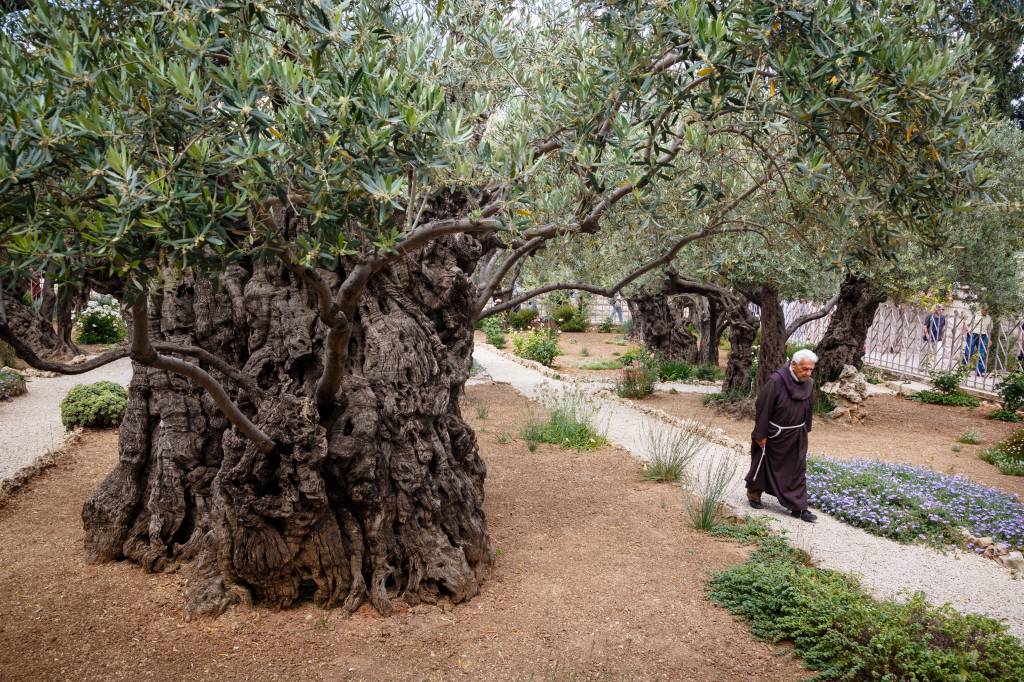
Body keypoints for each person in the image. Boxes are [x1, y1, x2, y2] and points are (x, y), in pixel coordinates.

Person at [745, 349, 818, 523]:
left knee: (798, 468)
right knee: (763, 463)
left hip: (796, 433)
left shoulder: (809, 383)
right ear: (793, 365)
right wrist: (760, 434)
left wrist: (805, 428)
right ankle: (754, 494)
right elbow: (763, 407)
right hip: (774, 434)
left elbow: (808, 406)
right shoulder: (776, 381)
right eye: (805, 369)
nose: (808, 373)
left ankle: (798, 507)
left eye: (811, 369)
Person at [963, 304, 992, 376]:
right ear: (981, 309)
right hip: (973, 334)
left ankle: (979, 371)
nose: (986, 312)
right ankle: (963, 369)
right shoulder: (975, 315)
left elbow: (989, 330)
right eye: (985, 310)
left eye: (987, 310)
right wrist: (967, 331)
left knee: (982, 353)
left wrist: (989, 339)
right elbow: (966, 323)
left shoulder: (989, 318)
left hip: (983, 336)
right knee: (969, 351)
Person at [920, 304, 946, 371]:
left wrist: (943, 337)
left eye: (943, 309)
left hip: (938, 338)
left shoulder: (943, 317)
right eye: (940, 309)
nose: (941, 311)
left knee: (939, 353)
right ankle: (922, 367)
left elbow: (943, 328)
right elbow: (925, 326)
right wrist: (927, 335)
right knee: (926, 353)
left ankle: (937, 369)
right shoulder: (930, 316)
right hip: (929, 338)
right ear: (936, 309)